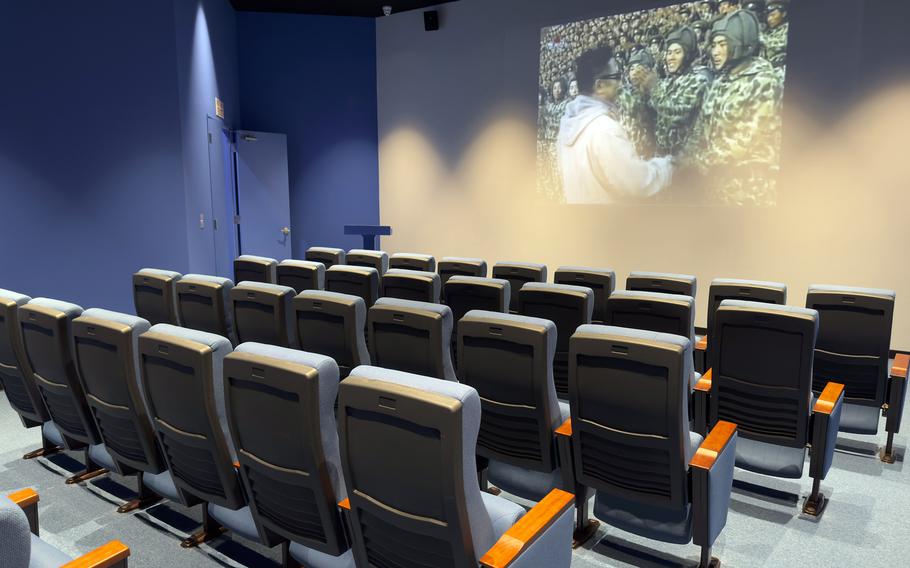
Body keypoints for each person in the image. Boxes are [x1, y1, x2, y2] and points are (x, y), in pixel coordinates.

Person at [684, 9, 783, 205]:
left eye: (722, 44)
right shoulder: (721, 81)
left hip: (749, 193)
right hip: (717, 190)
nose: (715, 51)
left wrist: (696, 163)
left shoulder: (763, 80)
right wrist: (685, 157)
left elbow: (744, 139)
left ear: (742, 43)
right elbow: (701, 128)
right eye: (713, 45)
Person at [558, 46, 673, 204]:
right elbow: (638, 183)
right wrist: (668, 166)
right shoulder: (605, 129)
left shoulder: (567, 123)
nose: (621, 82)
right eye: (617, 76)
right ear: (599, 86)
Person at [646, 26, 711, 156]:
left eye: (677, 52)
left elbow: (676, 113)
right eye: (669, 53)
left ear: (687, 56)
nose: (671, 57)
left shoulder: (698, 81)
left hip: (686, 159)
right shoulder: (667, 82)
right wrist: (641, 89)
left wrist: (653, 88)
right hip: (664, 157)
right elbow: (651, 108)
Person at [619, 48, 658, 158]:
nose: (634, 73)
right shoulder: (626, 93)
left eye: (638, 68)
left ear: (648, 70)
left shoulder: (657, 90)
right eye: (631, 69)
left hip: (650, 153)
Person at [762, 0, 789, 68]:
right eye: (768, 16)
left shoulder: (787, 29)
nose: (769, 19)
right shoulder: (768, 31)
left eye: (773, 15)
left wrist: (761, 38)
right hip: (765, 67)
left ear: (783, 14)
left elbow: (779, 45)